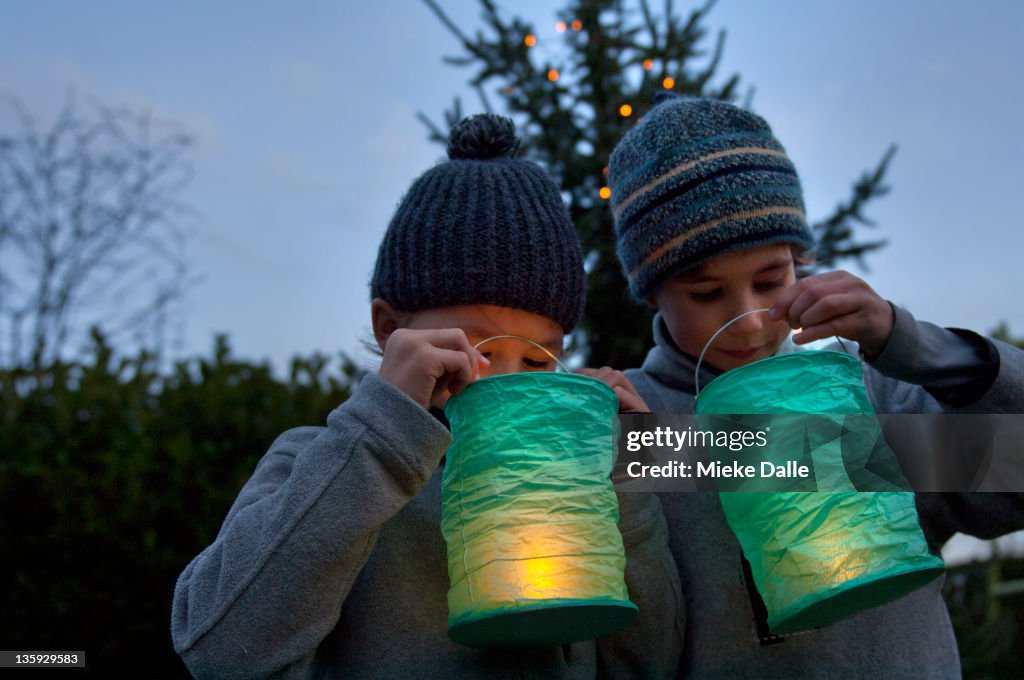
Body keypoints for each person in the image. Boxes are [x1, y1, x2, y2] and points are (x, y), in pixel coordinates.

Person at [172, 113, 682, 679]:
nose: (508, 381)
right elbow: (220, 650)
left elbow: (646, 664)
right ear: (392, 329)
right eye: (479, 351)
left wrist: (627, 482)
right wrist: (381, 436)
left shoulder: (561, 481)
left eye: (539, 359)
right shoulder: (325, 464)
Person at [606, 93, 1024, 677]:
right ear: (651, 291)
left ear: (799, 261)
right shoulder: (639, 429)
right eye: (706, 295)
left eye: (770, 279)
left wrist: (912, 344)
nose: (748, 319)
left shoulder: (869, 397)